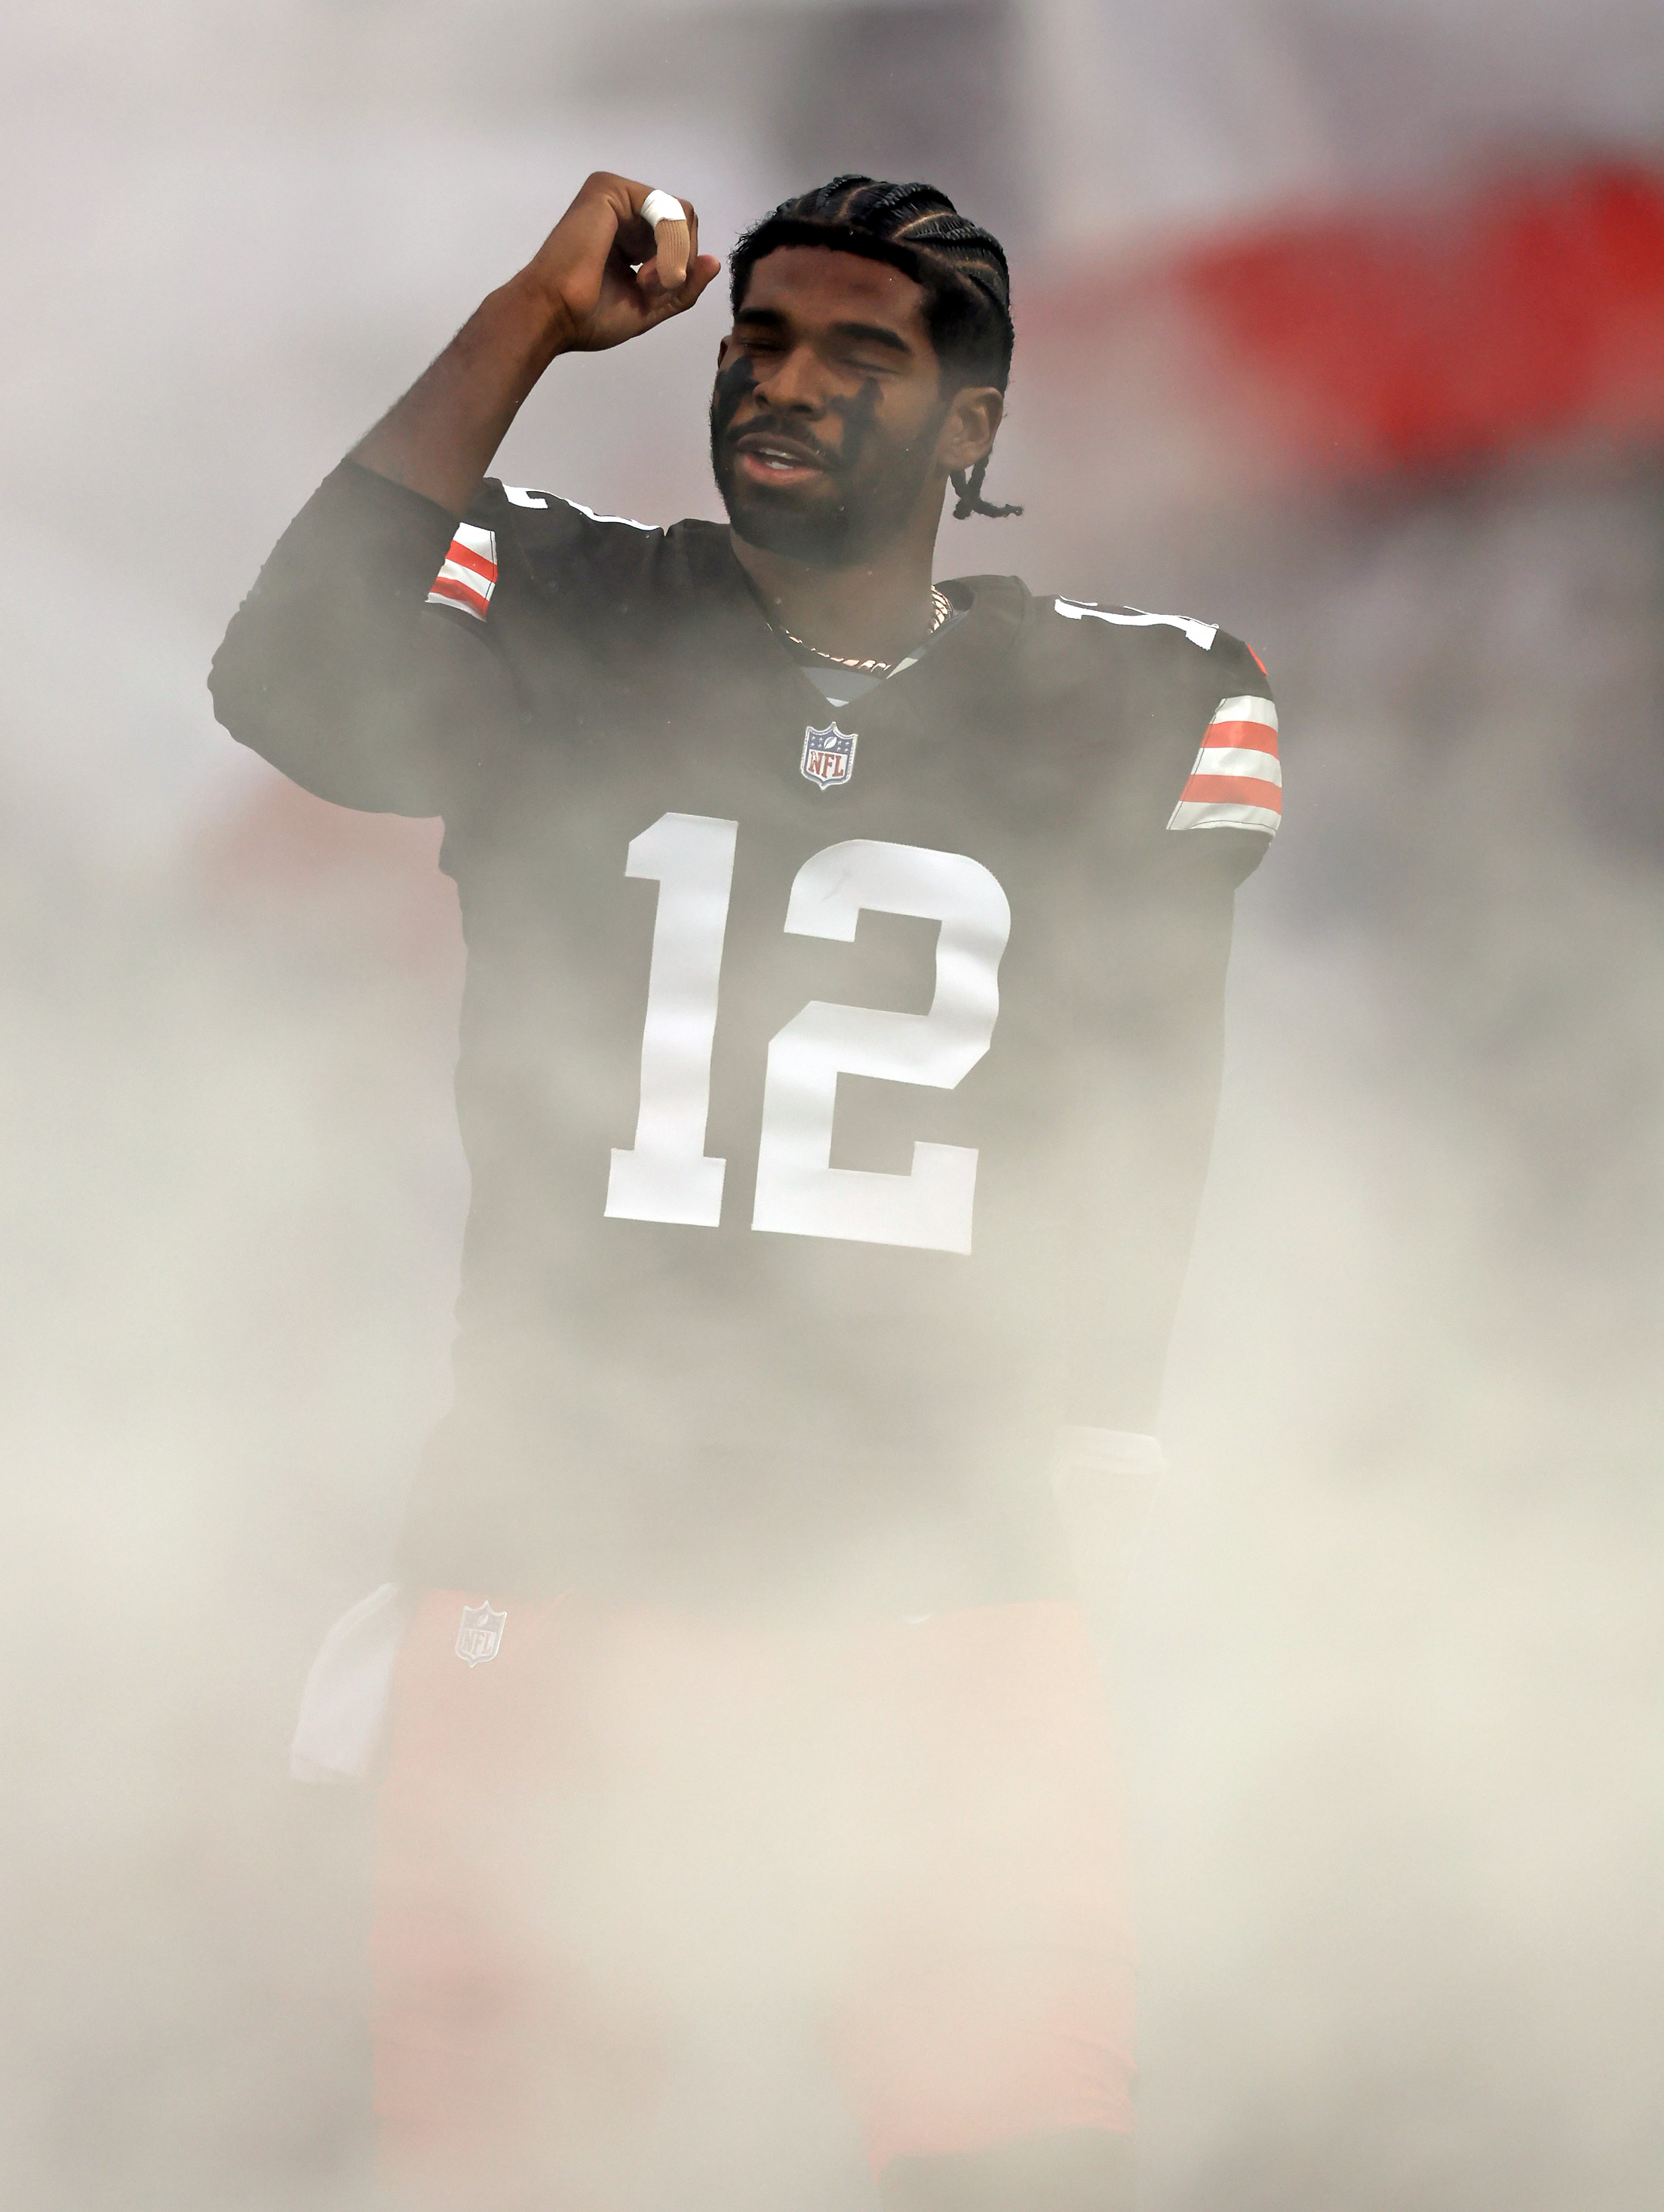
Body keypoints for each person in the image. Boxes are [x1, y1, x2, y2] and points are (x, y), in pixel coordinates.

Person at [210, 171, 1279, 2210]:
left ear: (969, 424)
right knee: (528, 2167)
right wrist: (528, 318)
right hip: (561, 1550)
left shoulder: (1130, 694)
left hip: (934, 1566)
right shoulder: (572, 603)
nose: (783, 385)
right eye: (758, 339)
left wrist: (1112, 1448)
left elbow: (1151, 1075)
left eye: (859, 354)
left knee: (1022, 2159)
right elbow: (286, 678)